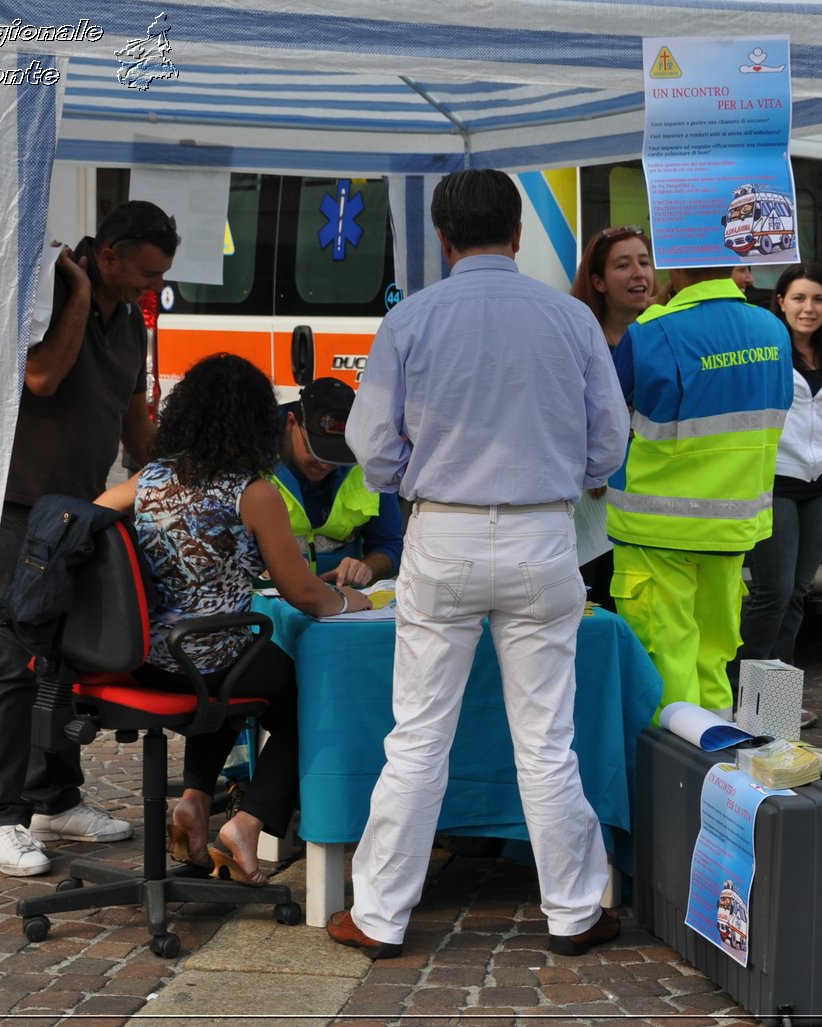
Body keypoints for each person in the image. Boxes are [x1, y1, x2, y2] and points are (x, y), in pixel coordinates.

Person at [334, 168, 630, 960]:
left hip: (443, 535)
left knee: (420, 733)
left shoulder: (411, 319)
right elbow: (610, 441)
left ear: (442, 239)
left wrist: (411, 478)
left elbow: (369, 445)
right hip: (542, 535)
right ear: (518, 234)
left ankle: (379, 915)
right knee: (546, 740)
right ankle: (572, 909)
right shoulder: (570, 320)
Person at [96, 353, 371, 883]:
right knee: (306, 704)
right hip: (209, 655)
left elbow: (91, 522)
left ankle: (196, 803)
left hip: (146, 656)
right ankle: (246, 824)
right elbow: (302, 592)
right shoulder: (253, 491)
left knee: (232, 675)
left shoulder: (147, 480)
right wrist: (348, 602)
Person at [0, 201, 179, 878]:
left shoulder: (131, 325)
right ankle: (1, 817)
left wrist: (178, 476)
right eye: (143, 274)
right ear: (110, 253)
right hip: (19, 507)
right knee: (12, 660)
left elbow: (133, 424)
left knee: (63, 660)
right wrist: (83, 295)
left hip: (81, 513)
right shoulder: (55, 288)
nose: (150, 289)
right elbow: (42, 376)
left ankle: (54, 797)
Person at [606, 261, 793, 718]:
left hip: (655, 531)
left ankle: (671, 784)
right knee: (714, 662)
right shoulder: (772, 329)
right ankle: (715, 776)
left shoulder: (650, 332)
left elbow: (600, 421)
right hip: (731, 527)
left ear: (672, 263)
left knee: (663, 667)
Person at [738, 264, 822, 673]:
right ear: (780, 302)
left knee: (797, 590)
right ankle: (743, 687)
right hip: (774, 481)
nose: (808, 308)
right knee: (772, 590)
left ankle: (776, 697)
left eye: (818, 299)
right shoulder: (765, 348)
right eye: (798, 298)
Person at [569, 225, 657, 610]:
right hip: (590, 513)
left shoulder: (664, 338)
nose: (639, 273)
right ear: (597, 281)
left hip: (653, 509)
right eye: (624, 265)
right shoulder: (576, 340)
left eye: (645, 262)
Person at [269, 377, 403, 587]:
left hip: (343, 603)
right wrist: (261, 565)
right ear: (292, 423)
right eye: (315, 450)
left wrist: (368, 567)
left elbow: (390, 545)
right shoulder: (252, 461)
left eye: (335, 455)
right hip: (263, 604)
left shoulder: (369, 463)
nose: (324, 465)